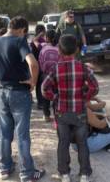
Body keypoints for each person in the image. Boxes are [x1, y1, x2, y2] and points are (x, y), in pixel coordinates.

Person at [0, 16, 45, 182]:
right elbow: (33, 64)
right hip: (19, 93)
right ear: (22, 30)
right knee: (22, 135)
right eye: (24, 33)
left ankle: (4, 169)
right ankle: (27, 173)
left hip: (1, 93)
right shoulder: (19, 42)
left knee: (5, 133)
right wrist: (33, 82)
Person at [42, 34, 99, 182]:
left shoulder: (55, 68)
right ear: (77, 50)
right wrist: (85, 98)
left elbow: (44, 88)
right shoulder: (83, 67)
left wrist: (55, 98)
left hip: (62, 112)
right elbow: (95, 87)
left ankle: (65, 174)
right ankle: (85, 174)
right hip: (79, 112)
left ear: (59, 50)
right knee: (82, 142)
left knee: (63, 142)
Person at [38, 29, 59, 122]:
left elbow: (40, 62)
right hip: (57, 76)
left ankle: (46, 115)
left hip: (45, 75)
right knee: (56, 95)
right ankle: (56, 116)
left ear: (47, 38)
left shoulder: (43, 49)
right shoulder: (60, 49)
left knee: (45, 95)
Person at [30, 25, 46, 110]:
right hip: (40, 66)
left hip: (34, 64)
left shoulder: (33, 41)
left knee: (37, 85)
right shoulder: (41, 40)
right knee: (41, 84)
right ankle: (41, 102)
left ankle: (40, 103)